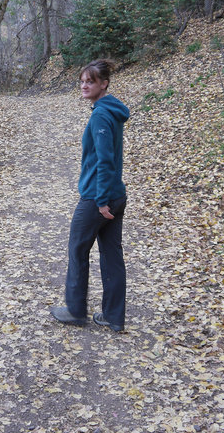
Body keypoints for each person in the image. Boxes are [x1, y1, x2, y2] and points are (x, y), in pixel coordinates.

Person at [51, 59, 129, 332]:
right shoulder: (110, 110)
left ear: (103, 83)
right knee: (111, 255)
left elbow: (106, 161)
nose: (84, 85)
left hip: (99, 197)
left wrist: (102, 200)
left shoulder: (100, 116)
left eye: (91, 81)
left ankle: (75, 310)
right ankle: (113, 317)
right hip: (115, 193)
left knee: (77, 249)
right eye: (82, 81)